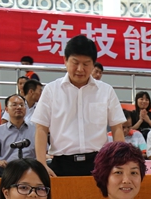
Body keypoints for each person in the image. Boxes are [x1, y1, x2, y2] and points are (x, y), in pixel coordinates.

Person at [32, 35, 126, 177]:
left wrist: (120, 163)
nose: (80, 69)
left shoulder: (106, 91)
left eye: (86, 64)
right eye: (75, 62)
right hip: (61, 165)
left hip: (99, 163)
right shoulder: (51, 90)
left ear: (93, 64)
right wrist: (41, 164)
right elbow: (41, 129)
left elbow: (117, 128)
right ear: (65, 60)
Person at [0, 94, 36, 178]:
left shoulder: (35, 129)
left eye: (21, 105)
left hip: (31, 168)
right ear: (6, 109)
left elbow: (45, 152)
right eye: (14, 105)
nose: (19, 107)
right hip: (8, 169)